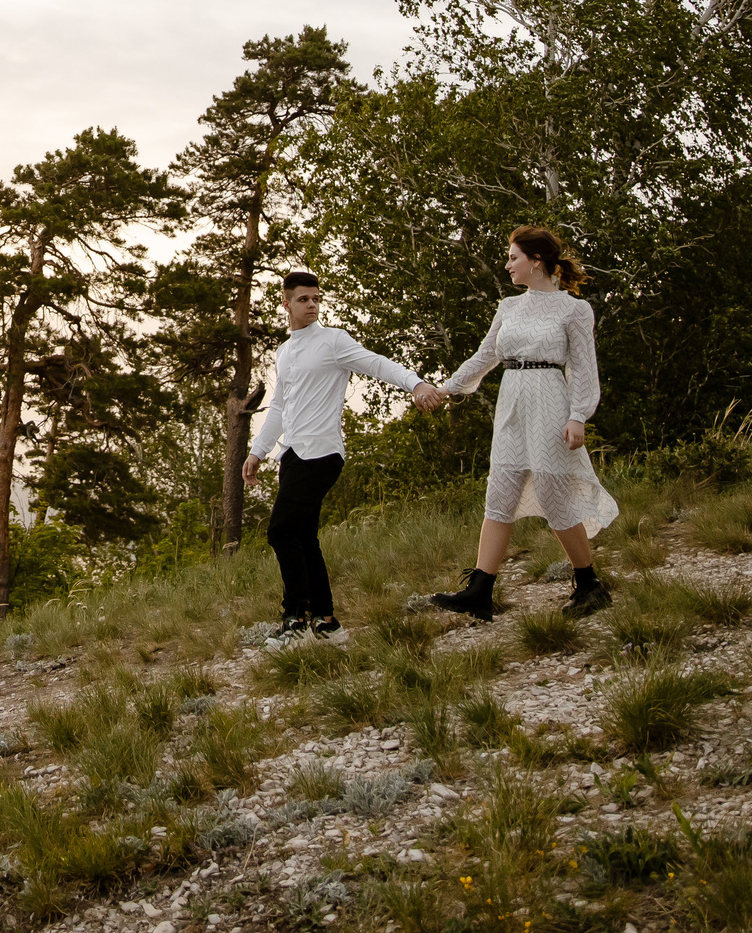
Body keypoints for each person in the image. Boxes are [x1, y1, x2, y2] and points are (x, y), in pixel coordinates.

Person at [422, 225, 619, 621]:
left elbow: (583, 368)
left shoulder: (574, 309)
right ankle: (479, 591)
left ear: (537, 260)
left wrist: (578, 415)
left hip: (550, 399)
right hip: (512, 401)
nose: (507, 265)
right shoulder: (508, 308)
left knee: (552, 491)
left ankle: (589, 584)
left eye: (513, 257)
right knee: (501, 491)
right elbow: (485, 356)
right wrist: (445, 388)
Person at [243, 270, 447, 640]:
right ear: (286, 303)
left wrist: (416, 384)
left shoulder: (334, 341)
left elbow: (377, 363)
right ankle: (325, 622)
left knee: (280, 531)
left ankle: (294, 620)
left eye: (316, 298)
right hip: (291, 455)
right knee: (304, 537)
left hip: (322, 454)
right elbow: (279, 405)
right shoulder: (284, 351)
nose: (312, 305)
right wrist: (258, 451)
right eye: (303, 299)